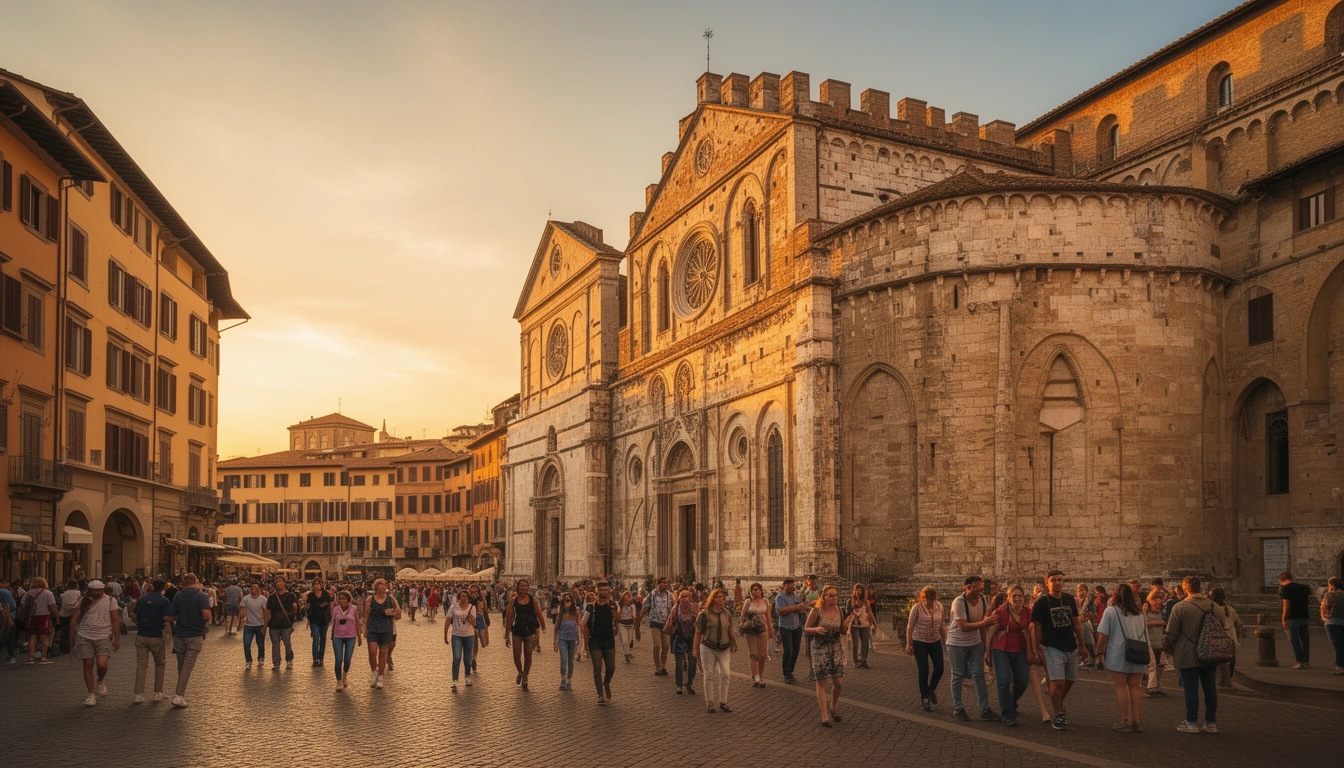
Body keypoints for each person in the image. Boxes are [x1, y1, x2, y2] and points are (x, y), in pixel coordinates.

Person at [1164, 576, 1226, 734]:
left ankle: (1191, 721)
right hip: (1210, 653)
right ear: (1201, 588)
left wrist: (1166, 647)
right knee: (1210, 688)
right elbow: (1222, 626)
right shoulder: (1214, 606)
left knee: (1191, 688)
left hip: (1187, 653)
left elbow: (1171, 633)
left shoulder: (1180, 607)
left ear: (1185, 589)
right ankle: (1211, 722)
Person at [1030, 569, 1090, 730]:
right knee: (1058, 683)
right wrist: (1036, 649)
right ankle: (1058, 714)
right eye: (1054, 580)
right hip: (1051, 647)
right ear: (1047, 583)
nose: (1058, 583)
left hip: (1070, 646)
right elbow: (1036, 628)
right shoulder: (1042, 603)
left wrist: (1083, 646)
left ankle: (1057, 699)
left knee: (1070, 680)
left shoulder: (1070, 599)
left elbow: (1077, 624)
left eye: (1060, 580)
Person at [1094, 583, 1147, 732]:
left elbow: (1103, 635)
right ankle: (1136, 720)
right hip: (1138, 652)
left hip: (1118, 653)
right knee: (1136, 687)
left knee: (1121, 686)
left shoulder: (1111, 611)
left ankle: (1124, 720)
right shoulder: (1140, 613)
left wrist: (1099, 650)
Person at [948, 576, 998, 722]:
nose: (979, 590)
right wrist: (984, 622)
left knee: (979, 675)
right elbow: (963, 626)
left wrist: (985, 647)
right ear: (967, 587)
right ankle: (958, 708)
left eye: (981, 587)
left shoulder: (982, 600)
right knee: (957, 675)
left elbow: (983, 624)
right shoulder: (959, 602)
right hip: (956, 643)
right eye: (976, 586)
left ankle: (985, 709)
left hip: (975, 643)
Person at [983, 585, 1032, 727]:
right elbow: (991, 632)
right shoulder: (1001, 612)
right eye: (1014, 596)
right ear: (1009, 599)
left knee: (1023, 680)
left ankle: (1011, 701)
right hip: (1001, 648)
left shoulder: (1028, 612)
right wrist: (988, 652)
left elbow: (1030, 632)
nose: (1017, 598)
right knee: (1003, 681)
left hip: (1020, 649)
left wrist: (1031, 651)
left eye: (1020, 596)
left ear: (1024, 598)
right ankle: (1007, 713)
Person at [69, 580, 120, 706]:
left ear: (103, 590)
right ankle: (91, 694)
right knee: (88, 664)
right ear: (89, 590)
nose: (96, 593)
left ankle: (100, 680)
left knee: (102, 664)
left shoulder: (110, 600)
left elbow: (115, 620)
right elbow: (74, 619)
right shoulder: (83, 601)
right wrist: (72, 638)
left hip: (103, 635)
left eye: (99, 591)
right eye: (94, 591)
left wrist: (117, 638)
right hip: (85, 635)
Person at [805, 585, 848, 726]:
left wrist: (847, 625)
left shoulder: (840, 610)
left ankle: (833, 706)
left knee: (839, 682)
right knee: (822, 681)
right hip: (819, 647)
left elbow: (842, 631)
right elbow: (806, 628)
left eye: (835, 595)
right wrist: (816, 629)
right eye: (830, 595)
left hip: (835, 647)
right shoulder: (816, 611)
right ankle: (824, 716)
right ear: (824, 597)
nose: (834, 597)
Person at [168, 574, 212, 707]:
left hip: (180, 634)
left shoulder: (178, 595)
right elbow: (206, 615)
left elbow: (173, 615)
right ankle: (179, 695)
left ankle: (180, 694)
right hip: (194, 635)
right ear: (195, 582)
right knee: (187, 666)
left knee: (181, 666)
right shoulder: (202, 596)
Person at [693, 587, 736, 713]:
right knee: (709, 675)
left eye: (723, 597)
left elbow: (730, 627)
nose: (723, 599)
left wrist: (733, 640)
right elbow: (698, 632)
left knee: (726, 674)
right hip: (708, 647)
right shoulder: (704, 614)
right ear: (714, 599)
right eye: (720, 597)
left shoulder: (726, 613)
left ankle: (723, 701)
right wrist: (695, 649)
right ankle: (710, 702)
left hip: (724, 648)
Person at [905, 585, 947, 711]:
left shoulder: (939, 606)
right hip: (920, 641)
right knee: (924, 670)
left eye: (931, 599)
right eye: (927, 599)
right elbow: (910, 626)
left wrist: (946, 639)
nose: (929, 601)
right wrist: (909, 643)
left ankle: (931, 687)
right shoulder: (917, 607)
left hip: (935, 641)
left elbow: (942, 624)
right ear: (922, 598)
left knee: (940, 668)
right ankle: (925, 697)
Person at [128, 578, 171, 703]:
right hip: (156, 635)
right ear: (163, 588)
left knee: (141, 665)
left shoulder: (142, 599)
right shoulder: (164, 600)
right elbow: (165, 617)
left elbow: (134, 615)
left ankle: (138, 694)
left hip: (142, 635)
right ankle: (158, 692)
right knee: (160, 664)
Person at [504, 579, 545, 691]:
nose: (524, 587)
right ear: (517, 588)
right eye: (521, 585)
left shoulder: (533, 600)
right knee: (516, 656)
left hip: (529, 630)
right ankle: (520, 672)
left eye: (526, 585)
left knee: (528, 656)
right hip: (517, 630)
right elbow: (509, 618)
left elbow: (538, 613)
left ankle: (526, 676)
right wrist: (507, 635)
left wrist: (543, 626)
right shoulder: (513, 602)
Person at [584, 580, 620, 705]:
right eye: (602, 590)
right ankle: (600, 694)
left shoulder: (613, 605)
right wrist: (585, 641)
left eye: (606, 590)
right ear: (597, 591)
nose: (604, 592)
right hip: (595, 640)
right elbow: (584, 623)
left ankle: (606, 682)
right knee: (597, 667)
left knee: (611, 667)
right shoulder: (590, 607)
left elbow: (618, 619)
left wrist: (616, 623)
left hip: (609, 639)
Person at [361, 578, 400, 689]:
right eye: (382, 584)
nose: (384, 586)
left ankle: (380, 677)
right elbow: (366, 614)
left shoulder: (390, 599)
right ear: (376, 586)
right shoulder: (370, 599)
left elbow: (398, 614)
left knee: (383, 653)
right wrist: (364, 629)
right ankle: (374, 672)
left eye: (385, 584)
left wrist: (393, 613)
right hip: (373, 628)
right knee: (372, 651)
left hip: (386, 628)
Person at [664, 588, 699, 695]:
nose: (684, 599)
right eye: (682, 597)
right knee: (679, 664)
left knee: (692, 663)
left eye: (686, 597)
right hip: (678, 639)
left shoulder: (695, 608)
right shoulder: (675, 609)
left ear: (691, 598)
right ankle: (679, 685)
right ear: (679, 598)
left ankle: (689, 683)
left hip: (691, 639)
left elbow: (700, 624)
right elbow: (670, 623)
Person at [739, 582, 773, 687]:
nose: (755, 591)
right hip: (751, 629)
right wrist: (742, 625)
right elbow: (742, 615)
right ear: (751, 592)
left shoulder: (765, 601)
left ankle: (760, 677)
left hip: (763, 628)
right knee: (754, 654)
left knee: (763, 655)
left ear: (761, 591)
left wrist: (771, 629)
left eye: (757, 589)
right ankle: (756, 678)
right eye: (753, 590)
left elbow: (768, 616)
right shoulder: (748, 602)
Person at [775, 578, 808, 683]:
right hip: (785, 627)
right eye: (791, 585)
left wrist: (802, 607)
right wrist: (796, 607)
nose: (793, 587)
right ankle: (787, 673)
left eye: (794, 585)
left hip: (796, 626)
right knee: (788, 650)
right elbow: (781, 611)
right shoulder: (780, 597)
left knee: (795, 650)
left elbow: (800, 610)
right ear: (785, 586)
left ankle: (790, 671)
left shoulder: (795, 596)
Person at [1210, 587, 1244, 687]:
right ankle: (1228, 680)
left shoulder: (1214, 609)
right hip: (1232, 637)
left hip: (1220, 637)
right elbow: (1239, 624)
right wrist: (1238, 639)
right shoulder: (1230, 609)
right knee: (1231, 659)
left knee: (1219, 661)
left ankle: (1222, 681)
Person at [1278, 571, 1313, 669]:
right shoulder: (1304, 588)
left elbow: (1287, 604)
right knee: (1305, 640)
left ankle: (1299, 661)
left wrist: (1284, 618)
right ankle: (1306, 661)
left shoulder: (1285, 589)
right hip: (1305, 616)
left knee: (1294, 640)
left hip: (1292, 617)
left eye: (1280, 582)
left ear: (1283, 580)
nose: (1280, 584)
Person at [18, 577, 57, 664]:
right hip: (44, 615)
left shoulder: (28, 593)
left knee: (32, 636)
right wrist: (57, 617)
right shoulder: (48, 593)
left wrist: (23, 616)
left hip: (31, 617)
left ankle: (31, 657)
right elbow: (53, 606)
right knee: (44, 637)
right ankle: (43, 657)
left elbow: (23, 606)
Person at [445, 589, 477, 692]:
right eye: (462, 596)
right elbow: (448, 620)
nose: (464, 598)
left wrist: (472, 620)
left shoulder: (472, 607)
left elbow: (475, 624)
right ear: (458, 598)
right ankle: (454, 680)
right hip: (456, 635)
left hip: (469, 635)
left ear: (468, 598)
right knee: (457, 657)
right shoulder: (453, 607)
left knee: (467, 658)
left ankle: (467, 676)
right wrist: (445, 634)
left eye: (465, 597)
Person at [642, 577, 675, 676]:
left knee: (666, 646)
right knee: (657, 645)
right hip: (655, 623)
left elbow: (673, 609)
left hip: (666, 624)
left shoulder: (670, 595)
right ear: (658, 583)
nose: (666, 584)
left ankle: (663, 665)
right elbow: (646, 606)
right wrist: (639, 618)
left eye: (667, 583)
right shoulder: (652, 595)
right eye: (663, 583)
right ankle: (658, 667)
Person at [265, 577, 299, 670]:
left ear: (284, 583)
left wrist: (294, 608)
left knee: (287, 643)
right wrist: (265, 625)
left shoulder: (290, 595)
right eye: (276, 582)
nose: (277, 583)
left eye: (279, 581)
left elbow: (295, 609)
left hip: (285, 624)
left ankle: (289, 660)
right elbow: (268, 611)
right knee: (275, 644)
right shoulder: (272, 597)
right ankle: (276, 663)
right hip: (274, 624)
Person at [330, 590, 360, 691]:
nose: (341, 600)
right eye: (340, 598)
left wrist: (359, 637)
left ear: (348, 600)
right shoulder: (335, 610)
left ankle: (345, 675)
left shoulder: (354, 609)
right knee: (338, 659)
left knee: (347, 659)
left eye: (343, 598)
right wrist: (332, 636)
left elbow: (357, 622)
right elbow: (333, 623)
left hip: (351, 636)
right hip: (338, 636)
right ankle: (339, 680)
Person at [1142, 588, 1168, 698]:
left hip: (1159, 643)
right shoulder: (1146, 612)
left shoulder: (1160, 613)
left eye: (1160, 601)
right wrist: (1158, 623)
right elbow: (1144, 624)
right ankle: (1151, 687)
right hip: (1150, 642)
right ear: (1151, 601)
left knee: (1161, 664)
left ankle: (1157, 687)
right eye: (1156, 601)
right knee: (1152, 664)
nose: (1158, 604)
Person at [553, 594, 581, 690]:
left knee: (571, 661)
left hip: (573, 638)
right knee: (563, 659)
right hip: (562, 638)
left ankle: (569, 680)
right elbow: (556, 627)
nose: (566, 602)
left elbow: (579, 624)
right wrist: (554, 642)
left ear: (572, 602)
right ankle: (563, 679)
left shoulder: (576, 612)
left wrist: (582, 638)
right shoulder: (560, 612)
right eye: (564, 601)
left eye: (568, 600)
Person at [845, 583, 874, 669]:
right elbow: (847, 612)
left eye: (860, 590)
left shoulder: (865, 601)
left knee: (865, 643)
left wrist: (873, 624)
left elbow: (869, 612)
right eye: (857, 590)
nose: (859, 592)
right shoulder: (850, 601)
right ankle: (856, 661)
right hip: (855, 625)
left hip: (865, 624)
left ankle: (863, 660)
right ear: (854, 591)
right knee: (856, 644)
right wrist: (854, 612)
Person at [239, 582, 268, 668]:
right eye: (251, 588)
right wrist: (241, 620)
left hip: (260, 624)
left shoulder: (263, 599)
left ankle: (261, 658)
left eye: (255, 588)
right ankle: (248, 661)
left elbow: (266, 612)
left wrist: (265, 625)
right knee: (246, 643)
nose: (252, 589)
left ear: (259, 590)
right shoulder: (246, 598)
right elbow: (241, 607)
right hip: (248, 625)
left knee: (260, 644)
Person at [1320, 577, 1344, 676]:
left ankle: (1339, 665)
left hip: (1332, 621)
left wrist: (1324, 617)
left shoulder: (1330, 595)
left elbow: (1325, 607)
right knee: (1342, 643)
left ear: (1332, 585)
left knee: (1336, 644)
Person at [306, 580, 332, 667]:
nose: (316, 586)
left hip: (324, 619)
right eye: (315, 584)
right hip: (314, 620)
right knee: (316, 639)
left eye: (318, 584)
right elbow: (308, 606)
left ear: (321, 585)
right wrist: (308, 617)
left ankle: (321, 658)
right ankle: (315, 659)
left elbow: (330, 604)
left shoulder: (326, 594)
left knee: (323, 639)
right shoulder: (311, 595)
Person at [56, 579, 81, 657]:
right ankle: (71, 646)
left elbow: (60, 599)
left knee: (65, 630)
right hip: (73, 614)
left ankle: (63, 646)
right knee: (73, 630)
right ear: (76, 586)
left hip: (63, 614)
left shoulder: (64, 594)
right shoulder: (78, 593)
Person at [618, 591, 638, 663]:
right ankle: (626, 654)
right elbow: (618, 614)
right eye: (625, 598)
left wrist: (634, 619)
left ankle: (627, 653)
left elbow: (634, 615)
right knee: (625, 640)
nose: (627, 600)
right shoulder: (620, 605)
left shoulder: (632, 605)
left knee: (629, 641)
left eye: (628, 598)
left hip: (630, 624)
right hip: (622, 624)